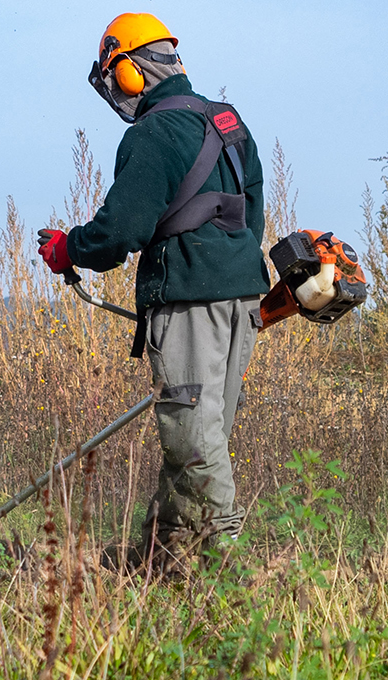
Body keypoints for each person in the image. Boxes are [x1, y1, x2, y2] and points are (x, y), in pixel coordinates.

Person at [35, 12, 268, 572]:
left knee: (191, 437)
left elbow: (121, 231)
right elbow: (253, 216)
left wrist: (71, 250)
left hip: (189, 298)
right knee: (201, 431)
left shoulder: (152, 133)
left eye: (114, 76)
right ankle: (162, 558)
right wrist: (231, 273)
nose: (115, 90)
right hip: (244, 300)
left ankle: (228, 572)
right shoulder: (228, 121)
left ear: (133, 71)